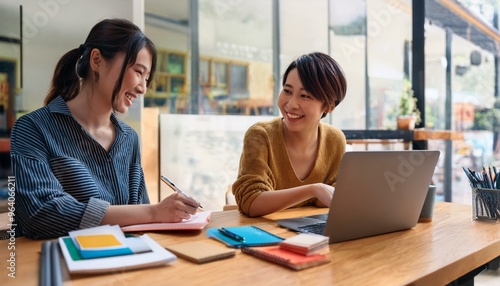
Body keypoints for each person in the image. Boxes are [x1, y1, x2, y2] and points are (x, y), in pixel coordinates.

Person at [10, 19, 200, 239]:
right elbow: (40, 213)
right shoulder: (32, 128)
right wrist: (152, 211)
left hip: (128, 263)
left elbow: (141, 226)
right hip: (60, 266)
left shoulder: (129, 139)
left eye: (147, 79)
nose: (143, 88)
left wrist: (164, 214)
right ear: (97, 60)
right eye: (138, 72)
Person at [232, 52, 347, 217]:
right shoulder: (261, 135)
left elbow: (332, 197)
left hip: (312, 233)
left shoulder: (335, 139)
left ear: (328, 106)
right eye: (287, 91)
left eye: (304, 96)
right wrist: (314, 189)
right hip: (264, 234)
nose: (291, 104)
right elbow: (250, 202)